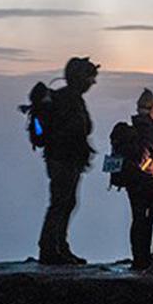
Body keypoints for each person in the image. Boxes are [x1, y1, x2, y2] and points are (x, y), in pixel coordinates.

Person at [38, 57, 98, 265]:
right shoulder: (69, 100)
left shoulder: (66, 98)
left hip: (62, 159)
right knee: (61, 202)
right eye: (91, 78)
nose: (93, 83)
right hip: (64, 160)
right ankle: (50, 249)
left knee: (65, 202)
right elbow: (74, 131)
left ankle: (58, 247)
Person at [127, 88, 153, 270]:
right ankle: (145, 258)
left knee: (137, 219)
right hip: (150, 182)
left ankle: (138, 257)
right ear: (152, 110)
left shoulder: (132, 130)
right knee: (148, 221)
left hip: (132, 181)